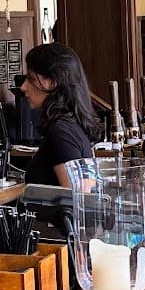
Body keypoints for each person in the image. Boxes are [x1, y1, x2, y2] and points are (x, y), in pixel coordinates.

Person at [18, 42, 101, 187]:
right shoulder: (69, 126)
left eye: (31, 79)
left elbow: (77, 194)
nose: (23, 87)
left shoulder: (60, 132)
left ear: (52, 82)